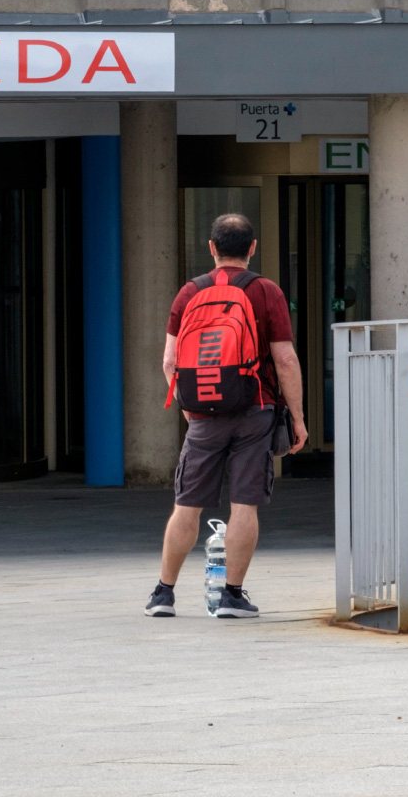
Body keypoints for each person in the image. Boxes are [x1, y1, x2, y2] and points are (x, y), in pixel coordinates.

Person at [146, 213, 308, 620]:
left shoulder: (188, 293)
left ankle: (163, 594)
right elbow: (285, 359)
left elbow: (169, 361)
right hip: (255, 408)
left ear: (212, 248)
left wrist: (191, 410)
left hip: (201, 412)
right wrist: (300, 419)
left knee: (188, 505)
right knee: (244, 505)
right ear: (252, 248)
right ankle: (231, 597)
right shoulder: (265, 291)